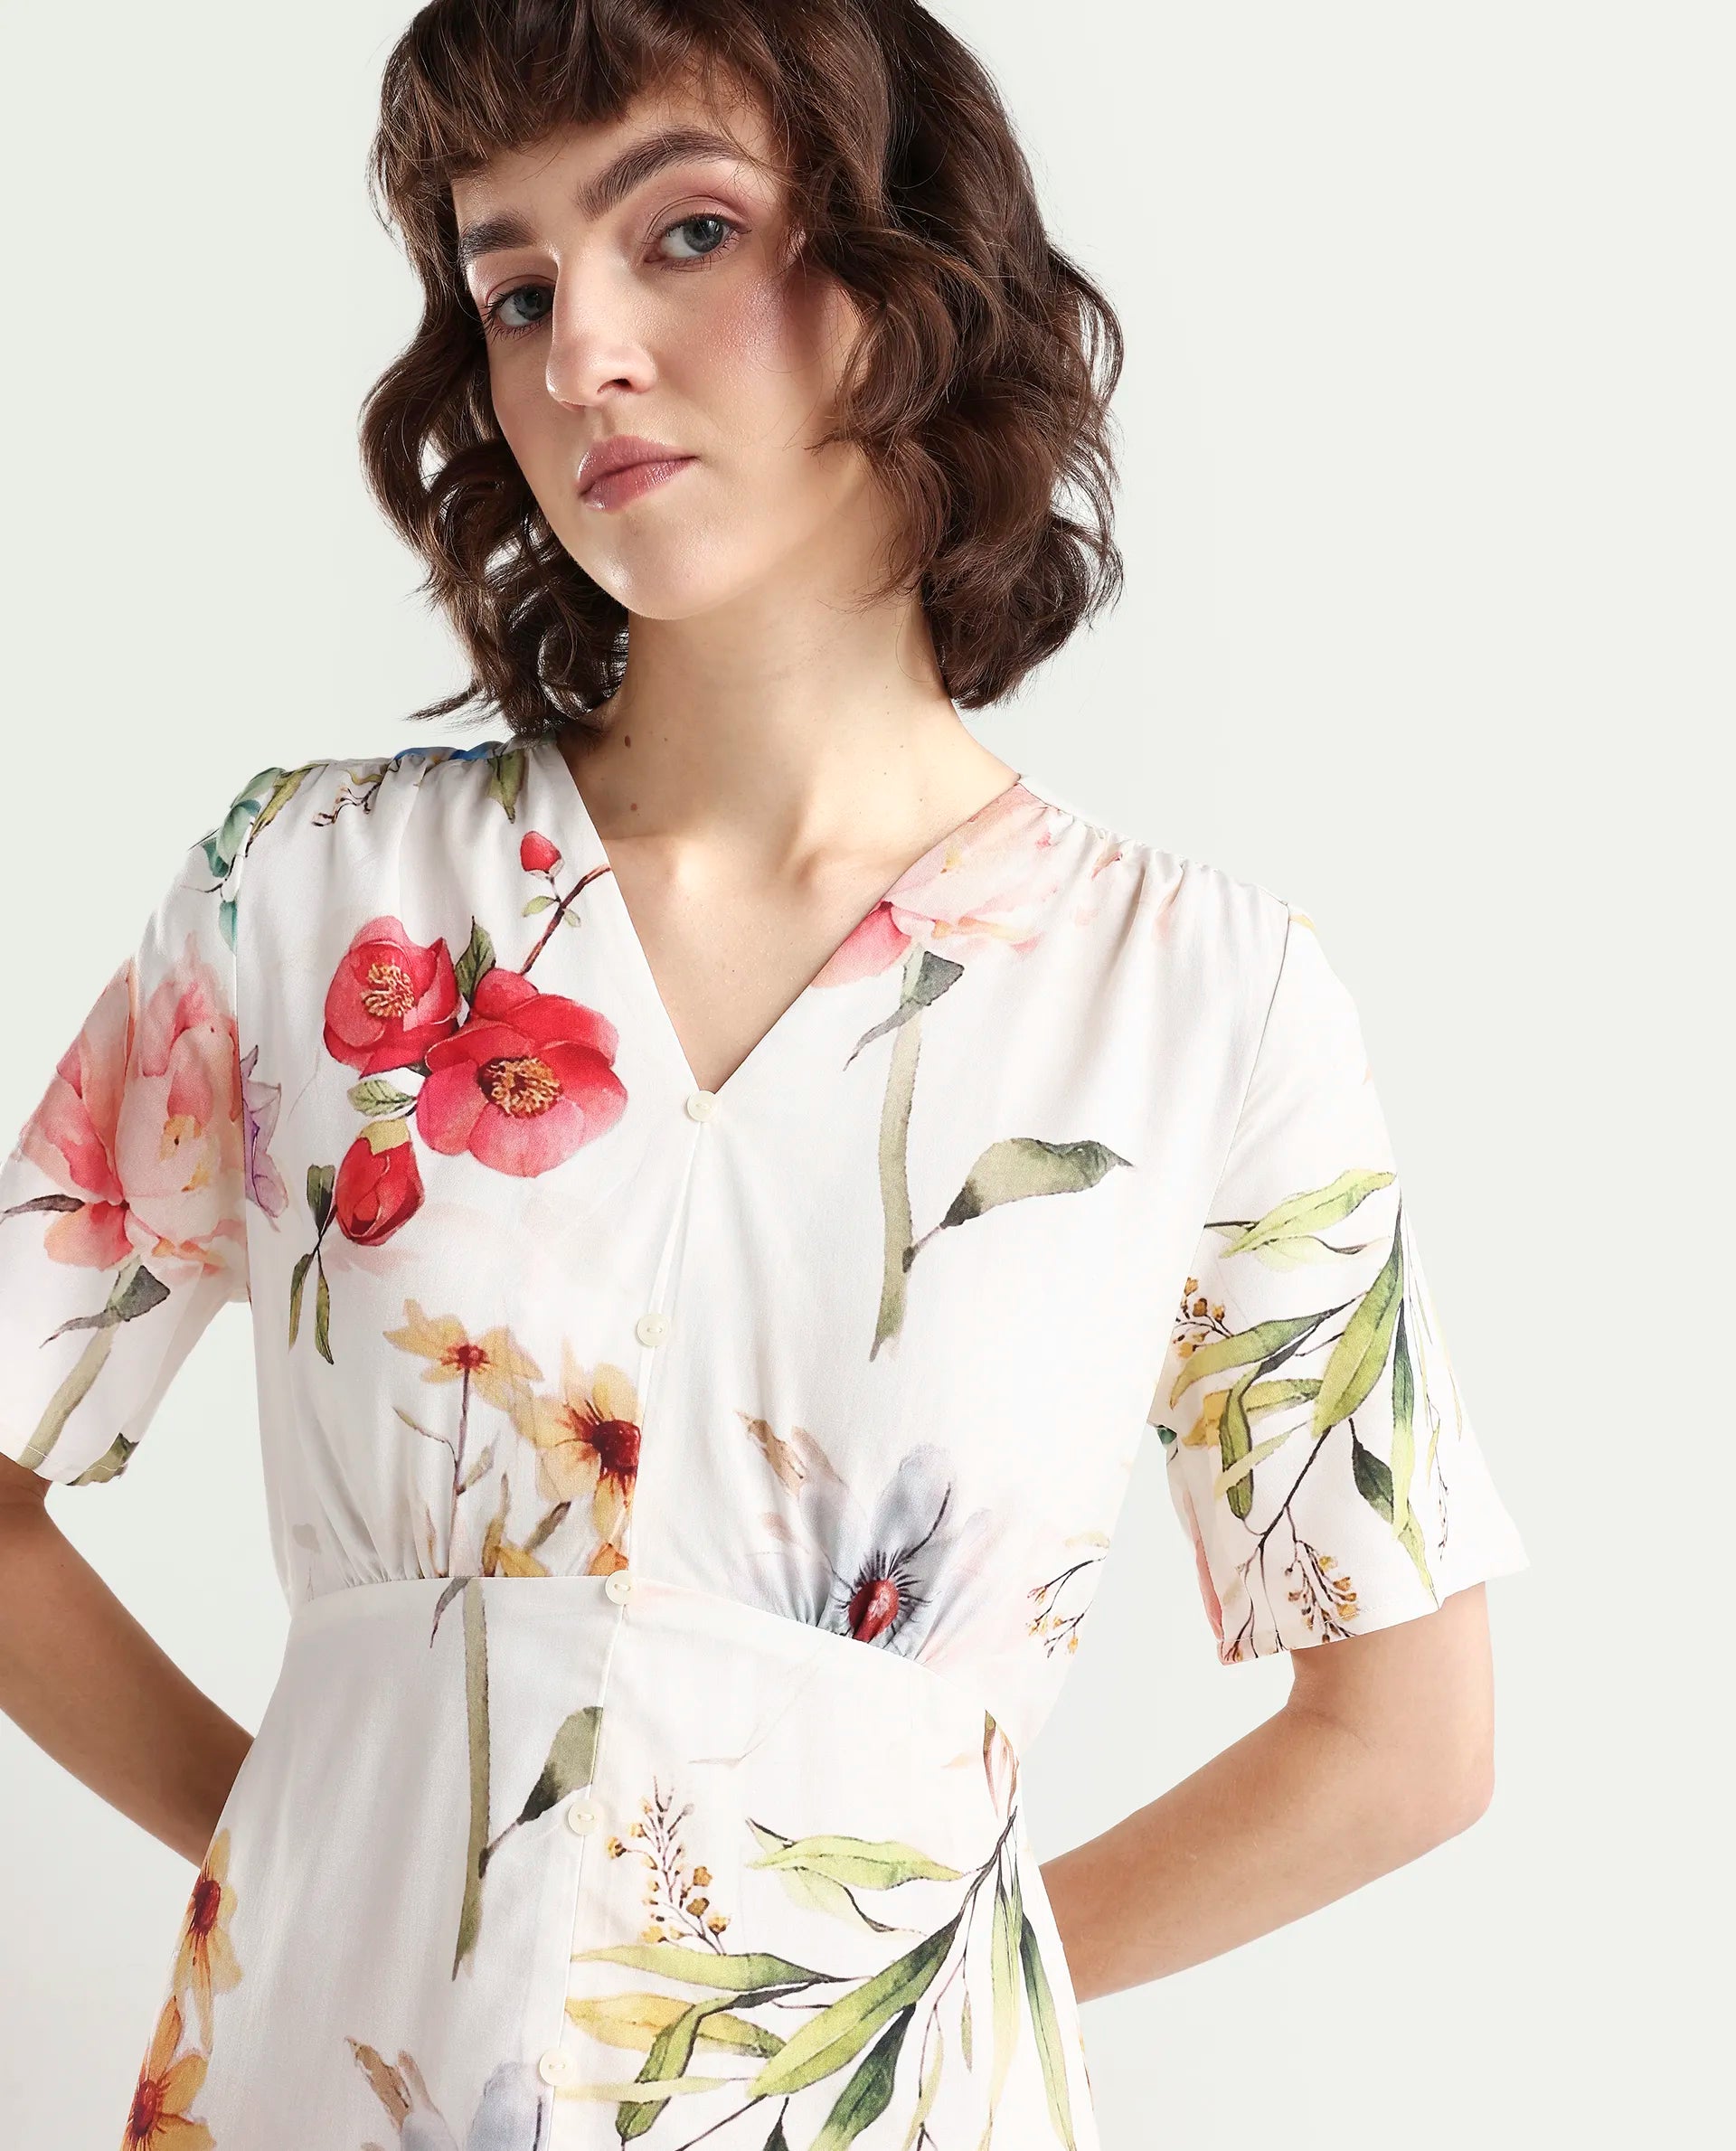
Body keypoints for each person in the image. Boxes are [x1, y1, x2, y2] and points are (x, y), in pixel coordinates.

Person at [0, 4, 1528, 2146]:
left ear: (911, 276)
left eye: (686, 233)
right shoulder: (312, 896)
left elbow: (1405, 1739)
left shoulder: (1196, 1001)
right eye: (515, 288)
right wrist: (318, 1857)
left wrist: (908, 1995)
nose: (581, 354)